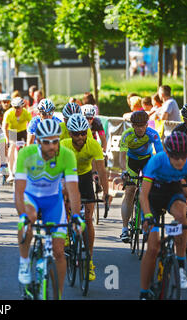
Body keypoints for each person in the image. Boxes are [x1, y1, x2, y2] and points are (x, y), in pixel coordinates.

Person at [15, 119, 83, 297]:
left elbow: (73, 190)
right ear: (38, 141)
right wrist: (22, 215)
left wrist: (76, 216)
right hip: (31, 198)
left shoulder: (67, 155)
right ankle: (24, 262)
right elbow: (19, 191)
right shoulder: (26, 154)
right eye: (46, 142)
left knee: (59, 252)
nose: (52, 146)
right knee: (27, 218)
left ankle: (57, 295)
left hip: (53, 201)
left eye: (55, 141)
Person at [60, 114, 110, 281]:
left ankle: (88, 261)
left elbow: (102, 171)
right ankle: (66, 227)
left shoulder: (93, 144)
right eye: (76, 133)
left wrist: (106, 192)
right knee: (64, 193)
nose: (80, 137)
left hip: (85, 176)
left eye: (83, 133)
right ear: (70, 133)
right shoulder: (64, 145)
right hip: (67, 175)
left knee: (88, 218)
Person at [138, 131, 187, 299]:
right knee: (152, 248)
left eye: (183, 156)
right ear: (167, 153)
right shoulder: (156, 160)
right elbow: (143, 194)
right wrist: (147, 216)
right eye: (175, 156)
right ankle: (144, 292)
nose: (180, 160)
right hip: (153, 195)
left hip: (172, 191)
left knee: (182, 217)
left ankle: (180, 265)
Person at [119, 110, 164, 243]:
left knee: (148, 191)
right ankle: (124, 229)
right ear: (132, 126)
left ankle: (145, 219)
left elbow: (160, 155)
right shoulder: (126, 135)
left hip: (147, 161)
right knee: (130, 191)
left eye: (142, 125)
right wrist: (124, 171)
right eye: (137, 125)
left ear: (146, 124)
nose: (140, 128)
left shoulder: (153, 134)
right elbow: (122, 158)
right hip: (131, 162)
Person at [2, 97, 32, 182]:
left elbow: (31, 126)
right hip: (12, 131)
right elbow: (4, 128)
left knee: (27, 147)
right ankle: (11, 173)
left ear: (22, 106)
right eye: (15, 107)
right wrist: (7, 139)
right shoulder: (8, 113)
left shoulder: (26, 113)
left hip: (23, 131)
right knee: (12, 147)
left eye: (19, 107)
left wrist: (29, 141)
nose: (17, 110)